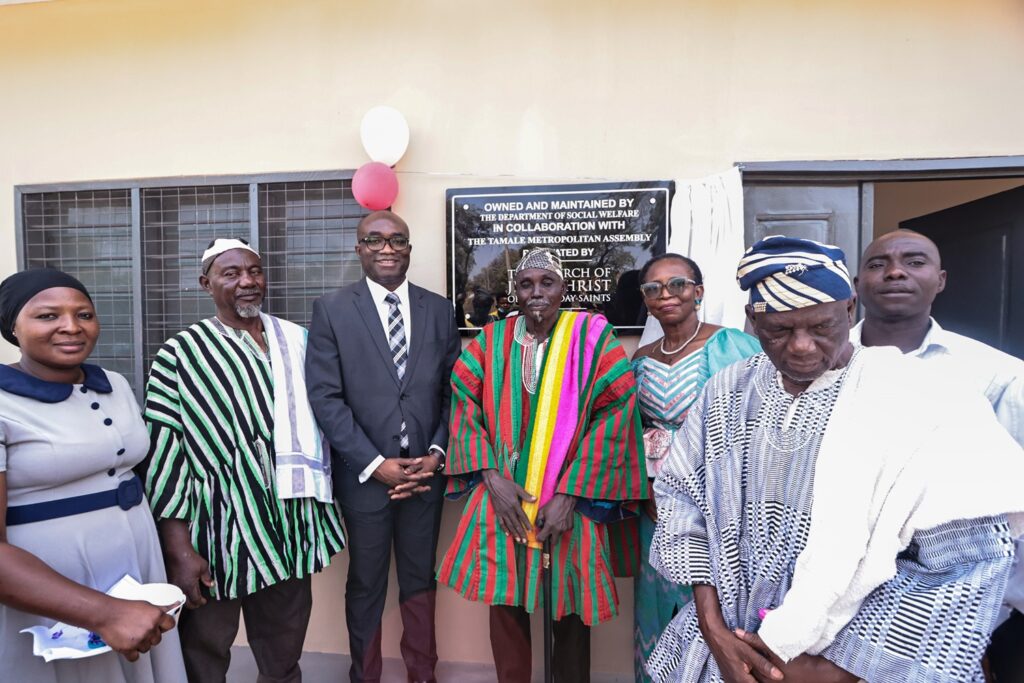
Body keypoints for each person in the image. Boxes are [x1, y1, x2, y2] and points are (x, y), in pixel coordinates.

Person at [647, 235, 1024, 683]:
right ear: (753, 321)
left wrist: (834, 667)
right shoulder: (727, 391)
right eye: (779, 331)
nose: (802, 346)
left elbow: (965, 556)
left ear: (849, 310)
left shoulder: (924, 398)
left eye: (821, 327)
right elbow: (681, 501)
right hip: (728, 648)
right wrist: (715, 631)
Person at [437, 247, 647, 683]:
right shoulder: (493, 340)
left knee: (570, 604)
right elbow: (463, 401)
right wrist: (492, 477)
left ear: (563, 289)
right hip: (505, 497)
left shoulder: (592, 335)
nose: (536, 293)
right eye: (526, 284)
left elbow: (617, 408)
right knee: (505, 599)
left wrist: (571, 494)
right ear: (515, 292)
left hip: (570, 498)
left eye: (546, 283)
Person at [143, 238, 345, 683]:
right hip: (217, 533)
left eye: (254, 271)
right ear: (206, 283)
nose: (247, 282)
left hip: (289, 524)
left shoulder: (297, 341)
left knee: (284, 645)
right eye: (230, 273)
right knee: (204, 650)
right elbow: (166, 454)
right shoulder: (180, 355)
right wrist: (178, 548)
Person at [852, 228, 1024, 681]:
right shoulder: (820, 365)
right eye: (877, 264)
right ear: (856, 283)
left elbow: (1013, 507)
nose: (894, 272)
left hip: (951, 603)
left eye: (914, 261)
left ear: (941, 279)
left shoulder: (993, 374)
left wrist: (998, 605)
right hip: (836, 594)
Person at [0, 268, 186, 682]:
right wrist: (103, 612)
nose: (71, 326)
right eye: (48, 316)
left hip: (136, 570)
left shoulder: (114, 384)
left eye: (84, 314)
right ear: (12, 326)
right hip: (50, 588)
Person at [306, 210, 460, 683]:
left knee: (419, 581)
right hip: (366, 479)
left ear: (410, 248)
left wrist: (436, 454)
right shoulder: (332, 309)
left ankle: (422, 675)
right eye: (375, 239)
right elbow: (325, 397)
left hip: (423, 477)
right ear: (359, 249)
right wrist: (375, 464)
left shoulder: (439, 309)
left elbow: (454, 390)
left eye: (398, 240)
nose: (387, 247)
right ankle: (364, 676)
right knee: (367, 583)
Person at [631, 254, 761, 682]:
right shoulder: (642, 356)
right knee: (657, 600)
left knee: (714, 601)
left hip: (719, 504)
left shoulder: (730, 345)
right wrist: (645, 489)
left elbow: (755, 421)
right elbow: (633, 430)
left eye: (677, 284)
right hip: (656, 501)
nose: (665, 295)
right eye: (653, 288)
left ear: (698, 292)